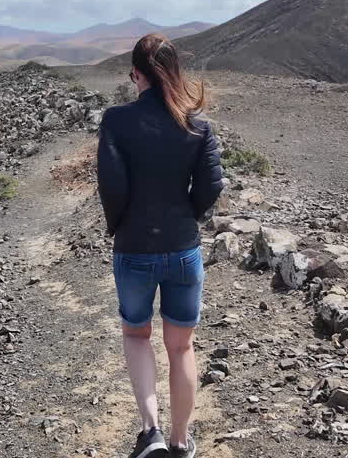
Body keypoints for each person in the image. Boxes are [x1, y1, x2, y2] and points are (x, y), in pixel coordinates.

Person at [97, 33, 224, 458]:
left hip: (133, 247)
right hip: (183, 249)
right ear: (173, 73)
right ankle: (180, 441)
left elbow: (112, 187)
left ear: (136, 74)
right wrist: (185, 217)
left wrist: (120, 227)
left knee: (136, 334)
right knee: (182, 345)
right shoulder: (198, 126)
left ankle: (150, 432)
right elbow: (211, 187)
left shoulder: (116, 120)